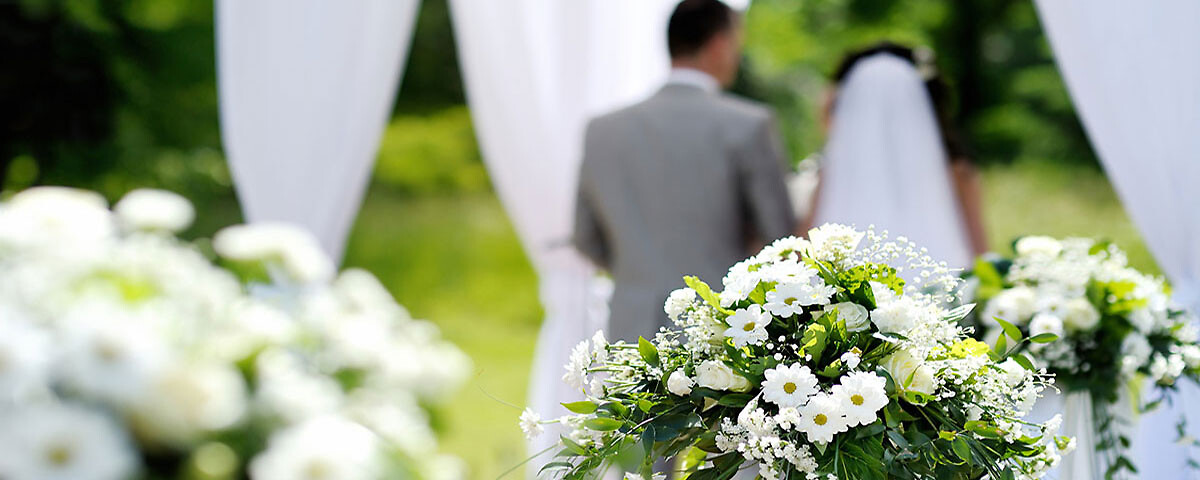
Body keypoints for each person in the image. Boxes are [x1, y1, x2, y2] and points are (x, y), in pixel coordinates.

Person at [572, 0, 795, 344]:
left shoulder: (603, 130)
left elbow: (585, 236)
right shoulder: (748, 125)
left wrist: (638, 272)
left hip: (632, 329)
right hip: (722, 328)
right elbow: (779, 236)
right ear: (720, 44)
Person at [808, 42, 987, 269]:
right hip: (938, 286)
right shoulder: (958, 170)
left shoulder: (833, 171)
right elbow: (980, 250)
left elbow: (804, 242)